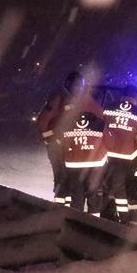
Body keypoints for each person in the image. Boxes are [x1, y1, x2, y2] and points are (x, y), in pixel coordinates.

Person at [102, 86, 137, 223]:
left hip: (106, 154)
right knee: (119, 186)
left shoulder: (108, 107)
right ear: (136, 97)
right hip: (126, 155)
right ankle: (123, 218)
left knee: (108, 183)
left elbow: (101, 126)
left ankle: (106, 214)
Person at [36, 71, 85, 204]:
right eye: (77, 85)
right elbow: (42, 121)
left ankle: (66, 207)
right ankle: (58, 206)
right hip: (56, 147)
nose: (80, 89)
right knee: (61, 177)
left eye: (82, 86)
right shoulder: (58, 98)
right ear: (68, 83)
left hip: (67, 147)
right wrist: (51, 140)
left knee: (68, 178)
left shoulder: (76, 100)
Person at [57, 105, 109, 215]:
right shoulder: (100, 123)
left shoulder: (69, 124)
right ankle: (94, 222)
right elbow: (109, 141)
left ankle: (75, 219)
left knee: (77, 196)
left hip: (74, 165)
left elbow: (61, 144)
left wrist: (67, 156)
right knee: (94, 196)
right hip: (95, 165)